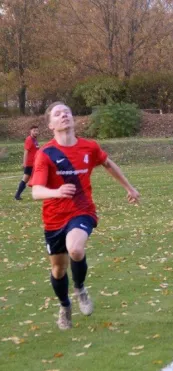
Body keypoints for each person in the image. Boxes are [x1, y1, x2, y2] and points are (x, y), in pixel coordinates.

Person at [29, 102, 140, 330]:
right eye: (58, 114)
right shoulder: (45, 153)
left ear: (73, 118)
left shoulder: (89, 147)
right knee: (58, 269)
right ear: (51, 125)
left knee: (76, 249)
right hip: (53, 219)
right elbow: (36, 191)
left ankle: (80, 287)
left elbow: (108, 164)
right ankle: (65, 306)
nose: (64, 116)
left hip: (82, 211)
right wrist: (56, 192)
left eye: (67, 112)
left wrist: (129, 188)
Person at [14, 125, 40, 200]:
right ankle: (18, 195)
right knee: (27, 179)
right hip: (30, 164)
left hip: (35, 163)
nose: (36, 132)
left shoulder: (35, 140)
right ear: (30, 131)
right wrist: (24, 163)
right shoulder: (29, 139)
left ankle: (17, 195)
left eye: (37, 131)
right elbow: (26, 152)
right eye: (34, 130)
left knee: (28, 179)